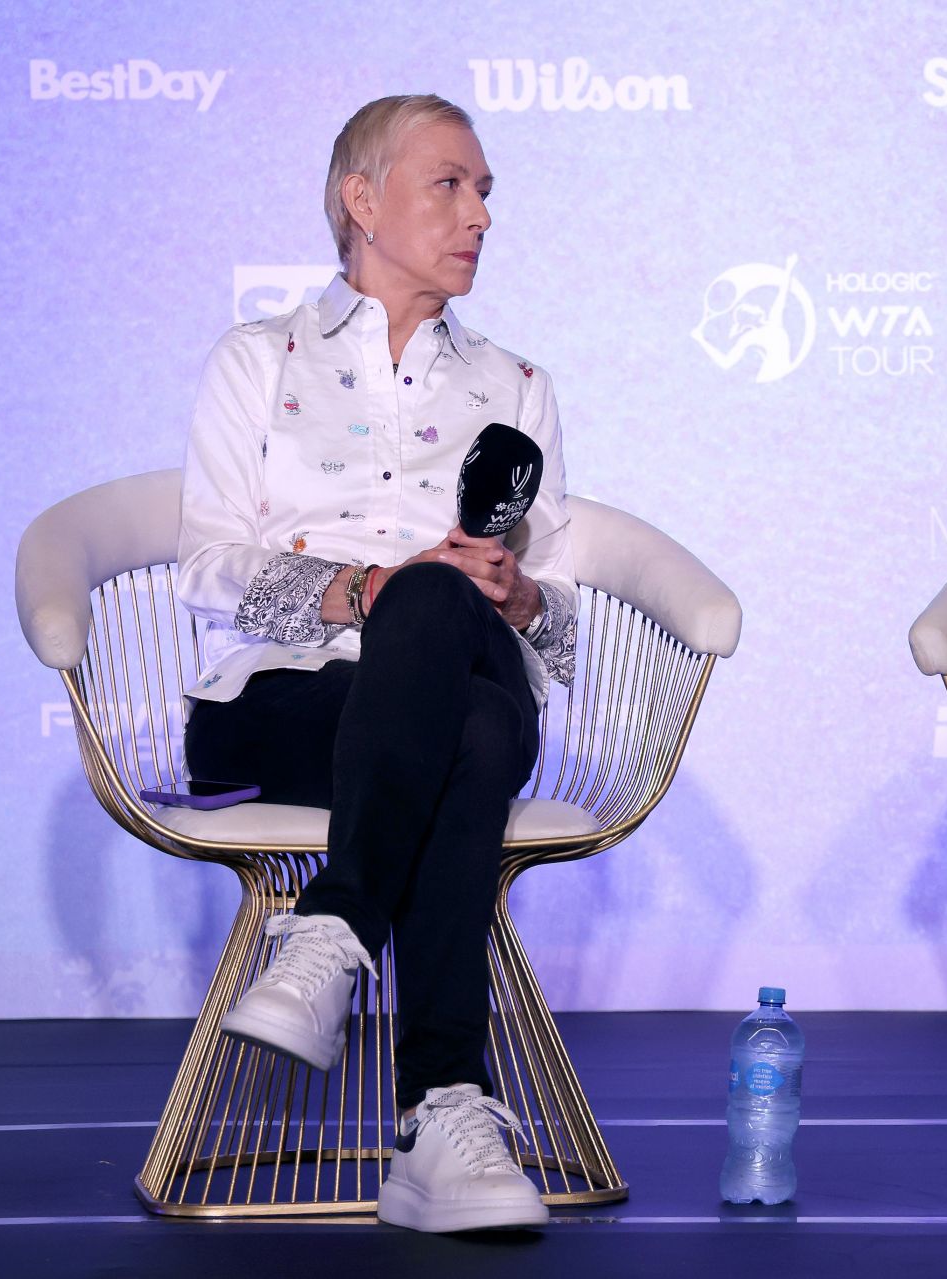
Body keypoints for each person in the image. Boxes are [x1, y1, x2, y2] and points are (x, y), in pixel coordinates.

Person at [176, 94, 577, 1234]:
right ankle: (446, 1104)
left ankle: (336, 928)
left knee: (455, 605)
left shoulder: (517, 386)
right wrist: (361, 589)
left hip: (464, 667)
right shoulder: (259, 360)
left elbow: (560, 637)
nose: (481, 215)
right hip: (281, 702)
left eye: (487, 190)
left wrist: (523, 592)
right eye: (451, 184)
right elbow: (204, 568)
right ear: (363, 199)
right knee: (476, 734)